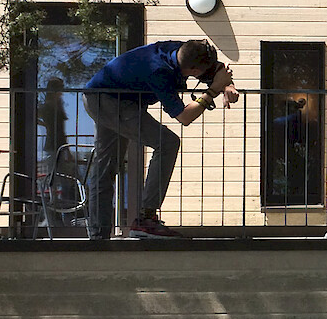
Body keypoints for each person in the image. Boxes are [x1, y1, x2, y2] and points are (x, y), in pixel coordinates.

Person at [84, 39, 239, 240]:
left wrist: (228, 85)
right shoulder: (159, 71)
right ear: (193, 71)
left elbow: (218, 69)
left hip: (105, 96)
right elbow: (185, 117)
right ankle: (145, 220)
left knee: (106, 165)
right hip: (109, 101)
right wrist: (212, 91)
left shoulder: (182, 50)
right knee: (167, 143)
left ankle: (99, 236)